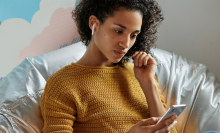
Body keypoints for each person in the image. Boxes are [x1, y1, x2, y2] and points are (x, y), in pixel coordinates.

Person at [40, 0, 178, 132]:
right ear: (94, 23)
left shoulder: (139, 74)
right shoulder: (62, 84)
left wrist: (149, 84)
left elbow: (169, 131)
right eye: (118, 31)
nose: (126, 44)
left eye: (133, 35)